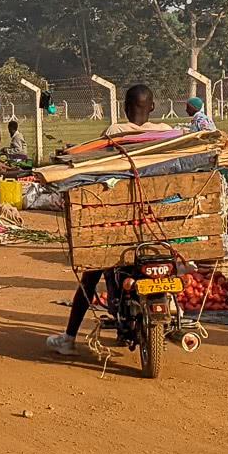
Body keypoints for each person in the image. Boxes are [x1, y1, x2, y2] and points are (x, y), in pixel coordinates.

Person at [46, 84, 165, 355]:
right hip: (159, 222)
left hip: (119, 221)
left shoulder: (115, 133)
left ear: (124, 108)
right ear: (153, 107)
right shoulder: (165, 133)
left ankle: (69, 338)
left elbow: (98, 168)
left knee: (91, 276)